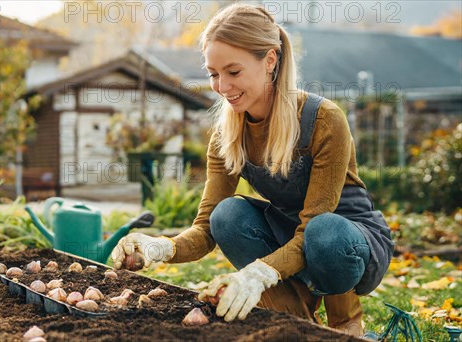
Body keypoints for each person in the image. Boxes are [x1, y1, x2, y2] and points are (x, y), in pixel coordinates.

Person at [111, 3, 394, 336]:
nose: (221, 86)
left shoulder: (323, 119)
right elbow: (206, 230)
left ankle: (347, 325)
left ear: (270, 60)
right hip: (290, 236)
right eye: (213, 73)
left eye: (233, 72)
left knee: (323, 232)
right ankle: (299, 325)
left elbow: (314, 229)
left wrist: (256, 274)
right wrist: (159, 247)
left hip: (349, 244)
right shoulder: (227, 135)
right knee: (226, 215)